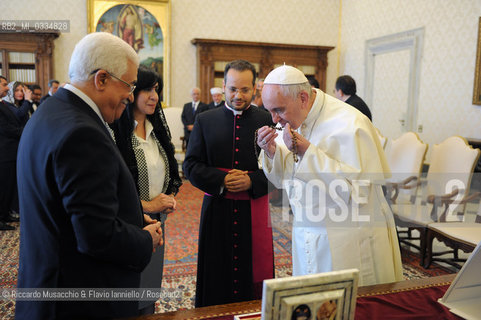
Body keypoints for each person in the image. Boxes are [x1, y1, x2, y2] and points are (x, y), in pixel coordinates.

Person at [15, 32, 163, 319]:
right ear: (102, 79)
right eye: (129, 85)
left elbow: (70, 207)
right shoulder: (81, 133)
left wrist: (131, 216)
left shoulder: (51, 112)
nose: (130, 96)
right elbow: (97, 237)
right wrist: (146, 240)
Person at [256, 65, 403, 286]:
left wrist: (307, 151)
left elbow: (358, 192)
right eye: (270, 111)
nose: (275, 119)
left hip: (347, 237)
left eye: (279, 110)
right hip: (305, 230)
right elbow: (282, 181)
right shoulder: (289, 121)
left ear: (303, 98)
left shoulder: (351, 123)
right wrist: (271, 152)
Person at [183, 60, 274, 307]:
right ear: (223, 86)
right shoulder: (205, 120)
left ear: (255, 88)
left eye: (245, 90)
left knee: (250, 274)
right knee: (216, 270)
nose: (238, 95)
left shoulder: (266, 119)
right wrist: (222, 179)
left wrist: (252, 180)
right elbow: (190, 165)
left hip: (252, 212)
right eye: (233, 89)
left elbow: (280, 170)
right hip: (217, 211)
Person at [111, 65, 182, 315]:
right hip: (127, 225)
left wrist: (167, 198)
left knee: (149, 289)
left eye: (157, 90)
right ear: (132, 92)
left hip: (157, 224)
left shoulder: (155, 132)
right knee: (127, 292)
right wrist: (148, 205)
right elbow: (112, 189)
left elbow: (170, 173)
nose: (154, 96)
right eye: (147, 89)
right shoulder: (116, 133)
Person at [0, 75, 22, 231]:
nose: (7, 88)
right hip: (3, 152)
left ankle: (5, 213)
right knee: (3, 186)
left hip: (10, 151)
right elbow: (5, 128)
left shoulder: (2, 104)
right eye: (4, 84)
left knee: (9, 186)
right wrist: (25, 131)